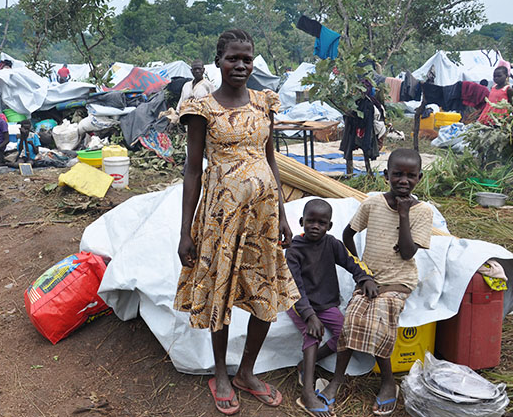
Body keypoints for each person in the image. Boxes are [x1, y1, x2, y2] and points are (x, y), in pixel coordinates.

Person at [176, 29, 298, 415]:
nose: (241, 65)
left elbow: (271, 162)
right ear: (219, 61)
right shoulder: (202, 109)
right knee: (221, 293)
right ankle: (221, 374)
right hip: (220, 219)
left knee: (265, 294)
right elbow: (193, 171)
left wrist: (282, 213)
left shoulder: (265, 103)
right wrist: (185, 231)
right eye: (233, 58)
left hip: (263, 217)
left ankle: (246, 371)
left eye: (247, 59)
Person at [317, 148, 433, 416]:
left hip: (399, 283)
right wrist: (361, 271)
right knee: (352, 318)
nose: (403, 181)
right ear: (386, 176)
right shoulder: (372, 204)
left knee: (381, 317)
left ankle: (388, 382)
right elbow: (348, 234)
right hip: (370, 280)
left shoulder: (422, 212)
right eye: (397, 175)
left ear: (419, 178)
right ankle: (336, 379)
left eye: (410, 176)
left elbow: (407, 252)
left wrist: (403, 214)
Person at [286, 199, 376, 417]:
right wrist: (309, 316)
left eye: (321, 222)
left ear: (329, 226)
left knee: (345, 333)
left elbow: (351, 261)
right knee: (313, 335)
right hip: (300, 304)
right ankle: (308, 393)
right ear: (301, 222)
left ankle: (307, 364)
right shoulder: (294, 251)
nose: (315, 226)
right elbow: (295, 288)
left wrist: (365, 278)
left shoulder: (332, 243)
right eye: (310, 221)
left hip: (326, 303)